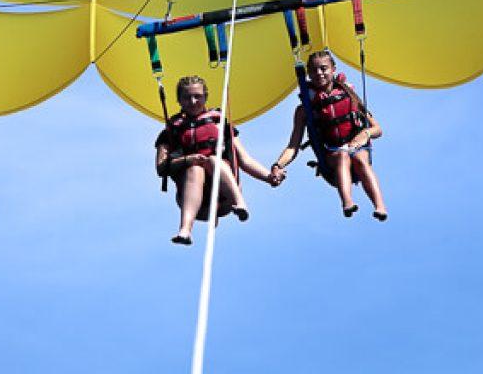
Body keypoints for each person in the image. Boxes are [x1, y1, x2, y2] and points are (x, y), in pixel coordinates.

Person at [155, 75, 280, 245]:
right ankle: (185, 229)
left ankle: (240, 203)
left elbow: (245, 160)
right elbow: (161, 167)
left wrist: (269, 177)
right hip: (196, 203)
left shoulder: (219, 123)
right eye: (187, 97)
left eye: (197, 96)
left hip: (224, 198)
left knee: (213, 160)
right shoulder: (171, 131)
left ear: (205, 97)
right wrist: (188, 159)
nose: (193, 101)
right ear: (179, 100)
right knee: (195, 168)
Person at [270, 49, 388, 220]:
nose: (319, 73)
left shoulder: (349, 94)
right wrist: (278, 165)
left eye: (323, 68)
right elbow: (293, 145)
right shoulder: (305, 110)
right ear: (308, 74)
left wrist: (365, 134)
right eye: (314, 70)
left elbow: (377, 128)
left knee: (360, 159)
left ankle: (380, 206)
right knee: (342, 155)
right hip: (332, 153)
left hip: (357, 146)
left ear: (333, 69)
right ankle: (347, 202)